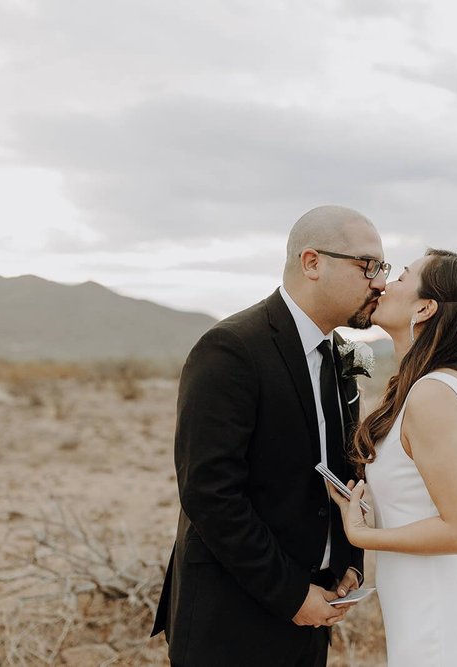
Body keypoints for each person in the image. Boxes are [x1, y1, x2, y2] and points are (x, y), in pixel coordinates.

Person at [151, 206, 390, 666]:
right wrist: (291, 595)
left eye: (382, 268)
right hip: (232, 615)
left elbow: (343, 474)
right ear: (312, 262)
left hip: (316, 609)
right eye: (367, 265)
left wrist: (349, 565)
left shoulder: (340, 355)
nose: (379, 281)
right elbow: (209, 494)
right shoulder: (232, 349)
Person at [328, 248, 457, 666]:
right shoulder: (432, 386)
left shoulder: (432, 395)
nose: (385, 284)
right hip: (423, 608)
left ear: (424, 307)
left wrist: (362, 535)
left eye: (402, 277)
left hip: (439, 617)